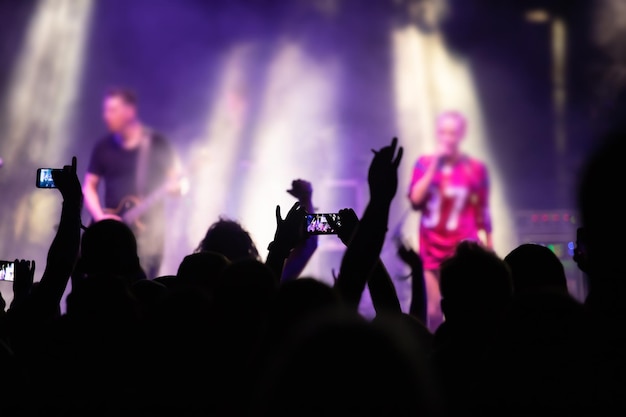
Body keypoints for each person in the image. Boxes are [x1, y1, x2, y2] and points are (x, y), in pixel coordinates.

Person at [82, 87, 183, 279]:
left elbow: (177, 182)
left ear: (130, 111)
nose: (106, 116)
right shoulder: (103, 147)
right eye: (105, 110)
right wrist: (100, 218)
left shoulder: (157, 143)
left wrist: (176, 189)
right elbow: (89, 186)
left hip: (149, 235)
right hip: (113, 237)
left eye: (112, 110)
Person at [408, 110, 492, 332]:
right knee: (434, 312)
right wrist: (434, 166)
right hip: (431, 247)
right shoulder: (424, 163)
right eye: (442, 133)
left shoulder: (474, 168)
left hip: (462, 249)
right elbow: (415, 201)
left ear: (461, 134)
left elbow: (483, 209)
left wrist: (489, 245)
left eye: (452, 133)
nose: (447, 138)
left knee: (465, 308)